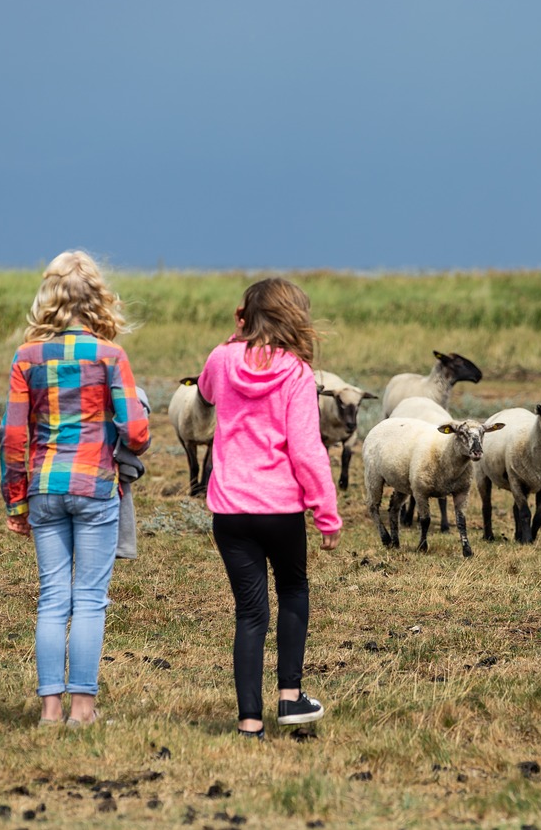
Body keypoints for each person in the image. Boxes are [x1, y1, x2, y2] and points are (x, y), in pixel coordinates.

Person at [0, 250, 151, 727]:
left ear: (50, 299)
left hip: (43, 486)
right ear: (99, 301)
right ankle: (82, 710)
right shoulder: (112, 356)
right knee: (89, 598)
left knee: (51, 598)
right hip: (96, 486)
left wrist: (15, 499)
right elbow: (138, 432)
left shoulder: (26, 358)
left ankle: (49, 711)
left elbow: (13, 436)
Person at [197, 277, 341, 741]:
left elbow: (205, 390)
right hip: (280, 508)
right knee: (294, 590)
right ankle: (290, 697)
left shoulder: (221, 359)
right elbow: (306, 449)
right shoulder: (297, 373)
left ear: (245, 317)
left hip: (231, 511)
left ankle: (249, 722)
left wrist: (234, 338)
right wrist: (326, 511)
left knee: (250, 612)